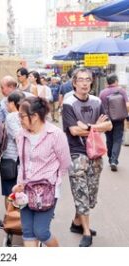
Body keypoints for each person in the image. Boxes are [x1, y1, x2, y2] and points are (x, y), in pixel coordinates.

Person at [62, 68, 112, 247]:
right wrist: (97, 126)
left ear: (91, 82)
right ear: (74, 83)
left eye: (87, 79)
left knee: (90, 196)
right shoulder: (68, 103)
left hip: (95, 152)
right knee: (80, 192)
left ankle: (77, 223)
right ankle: (86, 231)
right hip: (76, 153)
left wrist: (90, 127)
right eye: (80, 80)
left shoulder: (97, 101)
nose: (84, 83)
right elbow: (74, 131)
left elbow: (109, 125)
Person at [12, 97, 71, 247]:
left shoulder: (55, 134)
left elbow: (65, 162)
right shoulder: (21, 135)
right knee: (27, 231)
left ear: (35, 116)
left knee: (41, 231)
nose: (19, 119)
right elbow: (23, 163)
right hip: (24, 190)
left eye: (22, 116)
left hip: (46, 191)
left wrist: (54, 182)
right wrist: (18, 185)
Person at [0, 91, 24, 229]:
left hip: (11, 159)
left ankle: (10, 221)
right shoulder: (25, 116)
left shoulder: (12, 117)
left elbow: (18, 136)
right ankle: (17, 220)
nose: (6, 105)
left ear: (13, 103)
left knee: (9, 192)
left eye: (7, 102)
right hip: (20, 159)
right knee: (18, 191)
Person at [99, 74, 129, 171]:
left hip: (107, 119)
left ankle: (110, 157)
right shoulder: (122, 91)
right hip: (119, 119)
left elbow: (100, 107)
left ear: (107, 82)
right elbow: (127, 105)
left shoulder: (102, 93)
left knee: (109, 138)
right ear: (116, 81)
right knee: (117, 139)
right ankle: (114, 160)